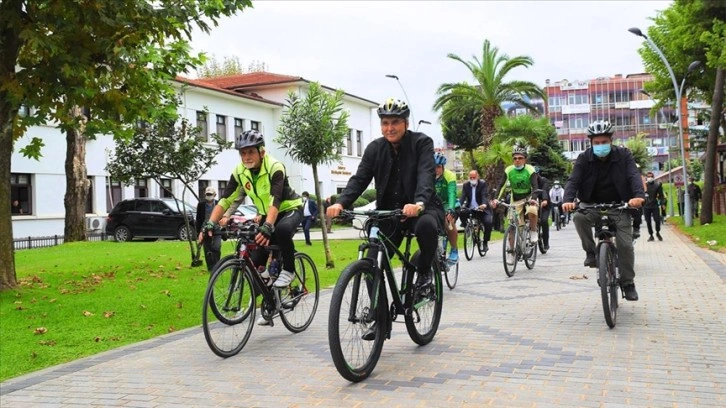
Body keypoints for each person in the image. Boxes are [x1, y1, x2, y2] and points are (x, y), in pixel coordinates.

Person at [326, 97, 444, 294]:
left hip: (422, 209)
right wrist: (341, 202)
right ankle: (378, 321)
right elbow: (359, 179)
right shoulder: (375, 148)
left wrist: (419, 203)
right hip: (389, 213)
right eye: (385, 123)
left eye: (395, 122)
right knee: (372, 263)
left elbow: (426, 175)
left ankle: (424, 273)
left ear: (406, 123)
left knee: (426, 227)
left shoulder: (421, 143)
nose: (390, 128)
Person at [205, 130, 303, 325]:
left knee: (281, 232)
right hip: (267, 214)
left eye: (250, 152)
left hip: (288, 209)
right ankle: (271, 298)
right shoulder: (240, 172)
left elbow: (276, 200)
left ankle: (289, 270)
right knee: (256, 256)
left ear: (261, 152)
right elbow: (225, 199)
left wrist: (268, 225)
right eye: (243, 153)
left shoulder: (275, 167)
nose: (246, 157)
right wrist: (210, 223)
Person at [562, 120, 645, 301]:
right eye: (596, 143)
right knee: (578, 218)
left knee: (625, 245)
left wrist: (638, 196)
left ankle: (628, 283)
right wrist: (567, 200)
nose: (601, 146)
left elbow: (633, 175)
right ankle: (591, 253)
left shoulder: (624, 155)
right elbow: (573, 180)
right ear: (591, 143)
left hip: (620, 206)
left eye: (604, 142)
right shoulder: (584, 159)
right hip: (592, 205)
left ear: (611, 140)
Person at [492, 145, 540, 265]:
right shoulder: (509, 170)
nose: (517, 160)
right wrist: (495, 199)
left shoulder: (530, 170)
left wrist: (533, 199)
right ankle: (511, 252)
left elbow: (535, 187)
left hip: (529, 198)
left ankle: (533, 232)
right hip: (516, 200)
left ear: (525, 159)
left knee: (533, 211)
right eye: (515, 158)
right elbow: (501, 185)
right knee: (512, 225)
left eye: (520, 158)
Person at [433, 152, 460, 264]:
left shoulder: (449, 175)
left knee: (448, 222)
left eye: (438, 167)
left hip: (450, 205)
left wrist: (451, 209)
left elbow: (452, 194)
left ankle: (454, 249)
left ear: (443, 167)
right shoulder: (428, 176)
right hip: (435, 207)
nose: (436, 170)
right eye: (433, 167)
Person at [460, 170, 493, 253]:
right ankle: (467, 229)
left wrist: (484, 204)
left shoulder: (482, 184)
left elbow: (484, 195)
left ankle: (485, 242)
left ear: (477, 177)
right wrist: (458, 205)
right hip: (471, 208)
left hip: (482, 209)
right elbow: (462, 197)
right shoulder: (466, 185)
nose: (472, 179)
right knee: (461, 212)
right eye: (470, 178)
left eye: (474, 177)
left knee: (488, 222)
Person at [195, 187, 222, 271]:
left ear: (214, 195)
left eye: (210, 194)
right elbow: (199, 219)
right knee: (207, 248)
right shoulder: (201, 205)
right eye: (207, 194)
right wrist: (199, 232)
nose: (209, 196)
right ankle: (210, 268)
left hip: (217, 228)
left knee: (216, 247)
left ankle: (217, 266)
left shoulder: (219, 204)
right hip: (205, 228)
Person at [643, 171, 665, 242]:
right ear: (646, 177)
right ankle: (651, 235)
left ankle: (658, 232)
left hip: (654, 205)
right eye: (648, 177)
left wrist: (662, 204)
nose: (650, 178)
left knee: (657, 220)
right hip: (646, 206)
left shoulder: (657, 185)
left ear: (653, 177)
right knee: (648, 221)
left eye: (651, 176)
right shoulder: (644, 186)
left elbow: (661, 196)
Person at [534, 167, 551, 251]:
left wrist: (544, 200)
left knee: (544, 221)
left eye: (535, 175)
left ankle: (546, 242)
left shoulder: (544, 180)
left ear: (538, 174)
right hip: (533, 203)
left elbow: (544, 190)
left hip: (544, 204)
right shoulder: (529, 181)